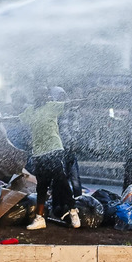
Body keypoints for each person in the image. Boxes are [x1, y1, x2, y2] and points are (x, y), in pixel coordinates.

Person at [16, 85, 80, 230]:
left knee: (61, 179)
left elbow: (70, 104)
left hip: (54, 148)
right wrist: (2, 119)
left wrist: (86, 100)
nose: (43, 96)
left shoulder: (52, 106)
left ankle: (73, 211)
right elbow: (18, 119)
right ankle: (40, 218)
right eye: (39, 93)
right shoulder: (30, 111)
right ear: (35, 95)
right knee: (42, 185)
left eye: (45, 93)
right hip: (38, 152)